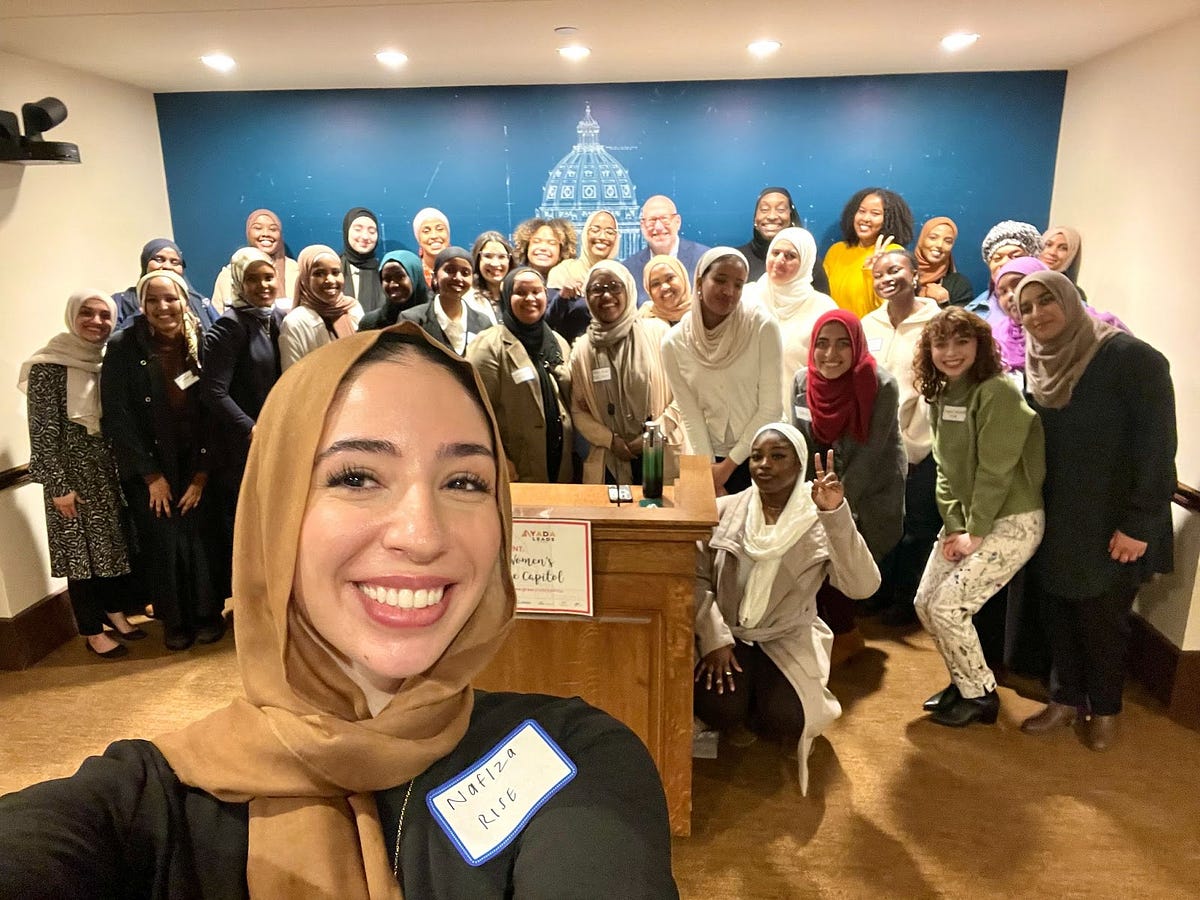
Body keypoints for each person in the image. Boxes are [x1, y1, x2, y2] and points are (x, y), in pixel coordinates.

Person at [0, 323, 678, 898]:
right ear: (275, 512)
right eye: (356, 477)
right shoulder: (148, 803)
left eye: (466, 481)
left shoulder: (578, 757)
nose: (422, 534)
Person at [1016, 271, 1176, 751]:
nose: (1037, 314)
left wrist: (1139, 523)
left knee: (1103, 619)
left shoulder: (1132, 359)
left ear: (1072, 300)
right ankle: (1064, 700)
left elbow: (1157, 447)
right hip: (1057, 513)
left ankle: (1105, 708)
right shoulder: (1039, 363)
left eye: (1047, 301)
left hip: (1113, 519)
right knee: (1057, 610)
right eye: (1026, 307)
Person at [693, 423, 880, 794]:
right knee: (721, 707)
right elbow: (693, 579)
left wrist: (836, 515)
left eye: (778, 456)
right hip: (730, 634)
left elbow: (862, 586)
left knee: (788, 717)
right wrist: (713, 637)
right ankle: (743, 709)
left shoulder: (820, 519)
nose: (764, 464)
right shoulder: (722, 510)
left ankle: (762, 708)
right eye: (758, 456)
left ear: (799, 467)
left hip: (788, 636)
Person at [911, 307, 1045, 727]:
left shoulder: (998, 392)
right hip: (970, 521)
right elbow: (945, 469)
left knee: (950, 608)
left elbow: (996, 471)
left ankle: (981, 697)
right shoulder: (942, 395)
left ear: (980, 345)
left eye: (961, 342)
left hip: (1012, 520)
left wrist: (978, 531)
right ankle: (965, 681)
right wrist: (955, 527)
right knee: (925, 604)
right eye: (941, 343)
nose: (950, 352)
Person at [101, 270, 223, 651]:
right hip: (151, 469)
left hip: (197, 461)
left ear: (184, 300)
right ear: (142, 304)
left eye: (170, 298)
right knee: (164, 545)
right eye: (153, 300)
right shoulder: (124, 347)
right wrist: (151, 476)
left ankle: (207, 615)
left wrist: (202, 474)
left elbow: (212, 409)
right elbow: (117, 416)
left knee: (201, 542)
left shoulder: (201, 340)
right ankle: (176, 621)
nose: (163, 307)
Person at [19, 290, 143, 659]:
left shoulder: (104, 361)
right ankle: (91, 630)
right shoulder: (48, 366)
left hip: (103, 474)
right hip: (69, 478)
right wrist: (59, 487)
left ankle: (115, 613)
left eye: (105, 315)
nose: (96, 321)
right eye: (87, 313)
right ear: (72, 315)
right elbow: (41, 432)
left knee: (108, 551)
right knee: (81, 557)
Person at [792, 310, 905, 665]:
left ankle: (846, 633)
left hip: (871, 492)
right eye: (822, 344)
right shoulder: (801, 382)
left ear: (856, 345)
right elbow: (800, 441)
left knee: (841, 553)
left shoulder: (880, 384)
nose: (831, 354)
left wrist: (833, 508)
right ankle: (829, 627)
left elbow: (871, 454)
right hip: (820, 487)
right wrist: (807, 498)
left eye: (843, 344)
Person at [200, 247, 286, 600]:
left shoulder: (273, 319)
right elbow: (213, 391)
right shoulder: (229, 326)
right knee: (248, 528)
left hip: (272, 441)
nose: (263, 285)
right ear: (239, 282)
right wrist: (251, 428)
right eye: (253, 278)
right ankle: (251, 605)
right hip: (242, 449)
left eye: (268, 277)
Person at [860, 250, 940, 625]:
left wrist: (915, 443)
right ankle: (877, 593)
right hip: (876, 445)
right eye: (879, 274)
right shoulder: (867, 325)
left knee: (916, 528)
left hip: (921, 446)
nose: (886, 278)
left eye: (894, 269)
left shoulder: (935, 323)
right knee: (881, 520)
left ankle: (905, 602)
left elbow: (937, 387)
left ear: (914, 273)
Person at [662, 247, 783, 496]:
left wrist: (727, 468)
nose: (729, 291)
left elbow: (771, 408)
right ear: (699, 282)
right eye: (720, 280)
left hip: (763, 455)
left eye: (738, 285)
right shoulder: (674, 343)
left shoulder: (762, 327)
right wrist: (711, 473)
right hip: (709, 457)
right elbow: (691, 413)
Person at [568, 260, 671, 484]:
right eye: (597, 289)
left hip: (661, 452)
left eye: (615, 286)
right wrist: (611, 441)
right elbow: (578, 410)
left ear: (629, 289)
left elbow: (683, 398)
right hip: (611, 461)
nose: (606, 296)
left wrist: (651, 437)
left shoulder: (658, 333)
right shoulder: (582, 350)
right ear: (586, 296)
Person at [467, 268, 573, 483]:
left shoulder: (558, 343)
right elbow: (473, 411)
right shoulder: (489, 344)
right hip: (515, 466)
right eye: (521, 292)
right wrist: (499, 458)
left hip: (560, 462)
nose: (530, 298)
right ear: (507, 297)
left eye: (536, 291)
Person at [746, 227, 837, 406]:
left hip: (799, 415)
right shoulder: (747, 296)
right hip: (745, 412)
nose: (779, 260)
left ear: (806, 263)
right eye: (775, 252)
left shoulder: (823, 309)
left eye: (790, 256)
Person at [822, 187, 911, 318]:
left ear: (888, 219)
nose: (865, 218)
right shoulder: (836, 250)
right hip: (837, 331)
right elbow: (822, 296)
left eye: (875, 213)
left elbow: (892, 307)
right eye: (861, 211)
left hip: (872, 334)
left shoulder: (892, 254)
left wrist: (874, 274)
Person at [279, 244, 364, 370]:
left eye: (335, 272)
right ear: (304, 278)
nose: (330, 280)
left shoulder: (352, 308)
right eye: (319, 273)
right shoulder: (295, 322)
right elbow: (292, 377)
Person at [734, 187, 832, 293]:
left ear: (791, 217)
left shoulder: (807, 261)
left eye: (780, 209)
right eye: (764, 209)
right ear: (755, 219)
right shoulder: (737, 259)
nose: (772, 216)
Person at [621, 195, 710, 306]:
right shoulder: (629, 269)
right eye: (651, 221)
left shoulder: (704, 259)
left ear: (677, 222)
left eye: (665, 219)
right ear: (642, 226)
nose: (658, 227)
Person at [402, 247, 492, 356]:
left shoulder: (483, 323)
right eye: (450, 270)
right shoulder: (411, 320)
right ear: (434, 276)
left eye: (465, 273)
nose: (458, 278)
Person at [112, 238, 218, 331]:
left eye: (175, 262)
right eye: (159, 259)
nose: (167, 266)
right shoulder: (121, 302)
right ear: (145, 263)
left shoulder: (200, 302)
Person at [211, 209, 299, 312]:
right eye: (258, 228)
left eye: (273, 229)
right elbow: (216, 316)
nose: (266, 233)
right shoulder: (229, 275)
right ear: (248, 233)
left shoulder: (296, 270)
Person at [964, 219, 1042, 319]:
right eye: (997, 258)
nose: (1005, 263)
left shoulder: (1055, 306)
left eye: (1015, 256)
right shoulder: (973, 313)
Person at [548, 209, 621, 294]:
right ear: (585, 234)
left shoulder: (621, 276)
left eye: (610, 232)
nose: (602, 237)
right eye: (595, 230)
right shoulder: (564, 272)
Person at [359, 249, 430, 330]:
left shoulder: (436, 315)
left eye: (399, 277)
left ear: (416, 276)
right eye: (387, 278)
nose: (393, 285)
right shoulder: (371, 323)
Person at [914, 217, 973, 308]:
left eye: (948, 241)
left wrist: (944, 303)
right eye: (933, 238)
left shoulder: (958, 285)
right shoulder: (903, 276)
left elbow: (963, 321)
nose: (939, 245)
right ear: (922, 240)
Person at [338, 206, 384, 316]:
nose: (365, 236)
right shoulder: (334, 270)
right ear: (346, 230)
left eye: (372, 231)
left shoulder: (384, 272)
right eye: (358, 229)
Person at [467, 230, 514, 324]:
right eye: (488, 256)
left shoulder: (517, 294)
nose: (495, 263)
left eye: (502, 257)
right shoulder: (467, 297)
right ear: (477, 259)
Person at [638, 255, 692, 326]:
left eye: (670, 278)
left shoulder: (703, 311)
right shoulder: (643, 319)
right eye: (655, 284)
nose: (664, 287)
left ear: (683, 277)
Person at [412, 206, 450, 288]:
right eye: (426, 231)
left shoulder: (464, 269)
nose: (434, 236)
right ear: (418, 238)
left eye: (440, 229)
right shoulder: (413, 275)